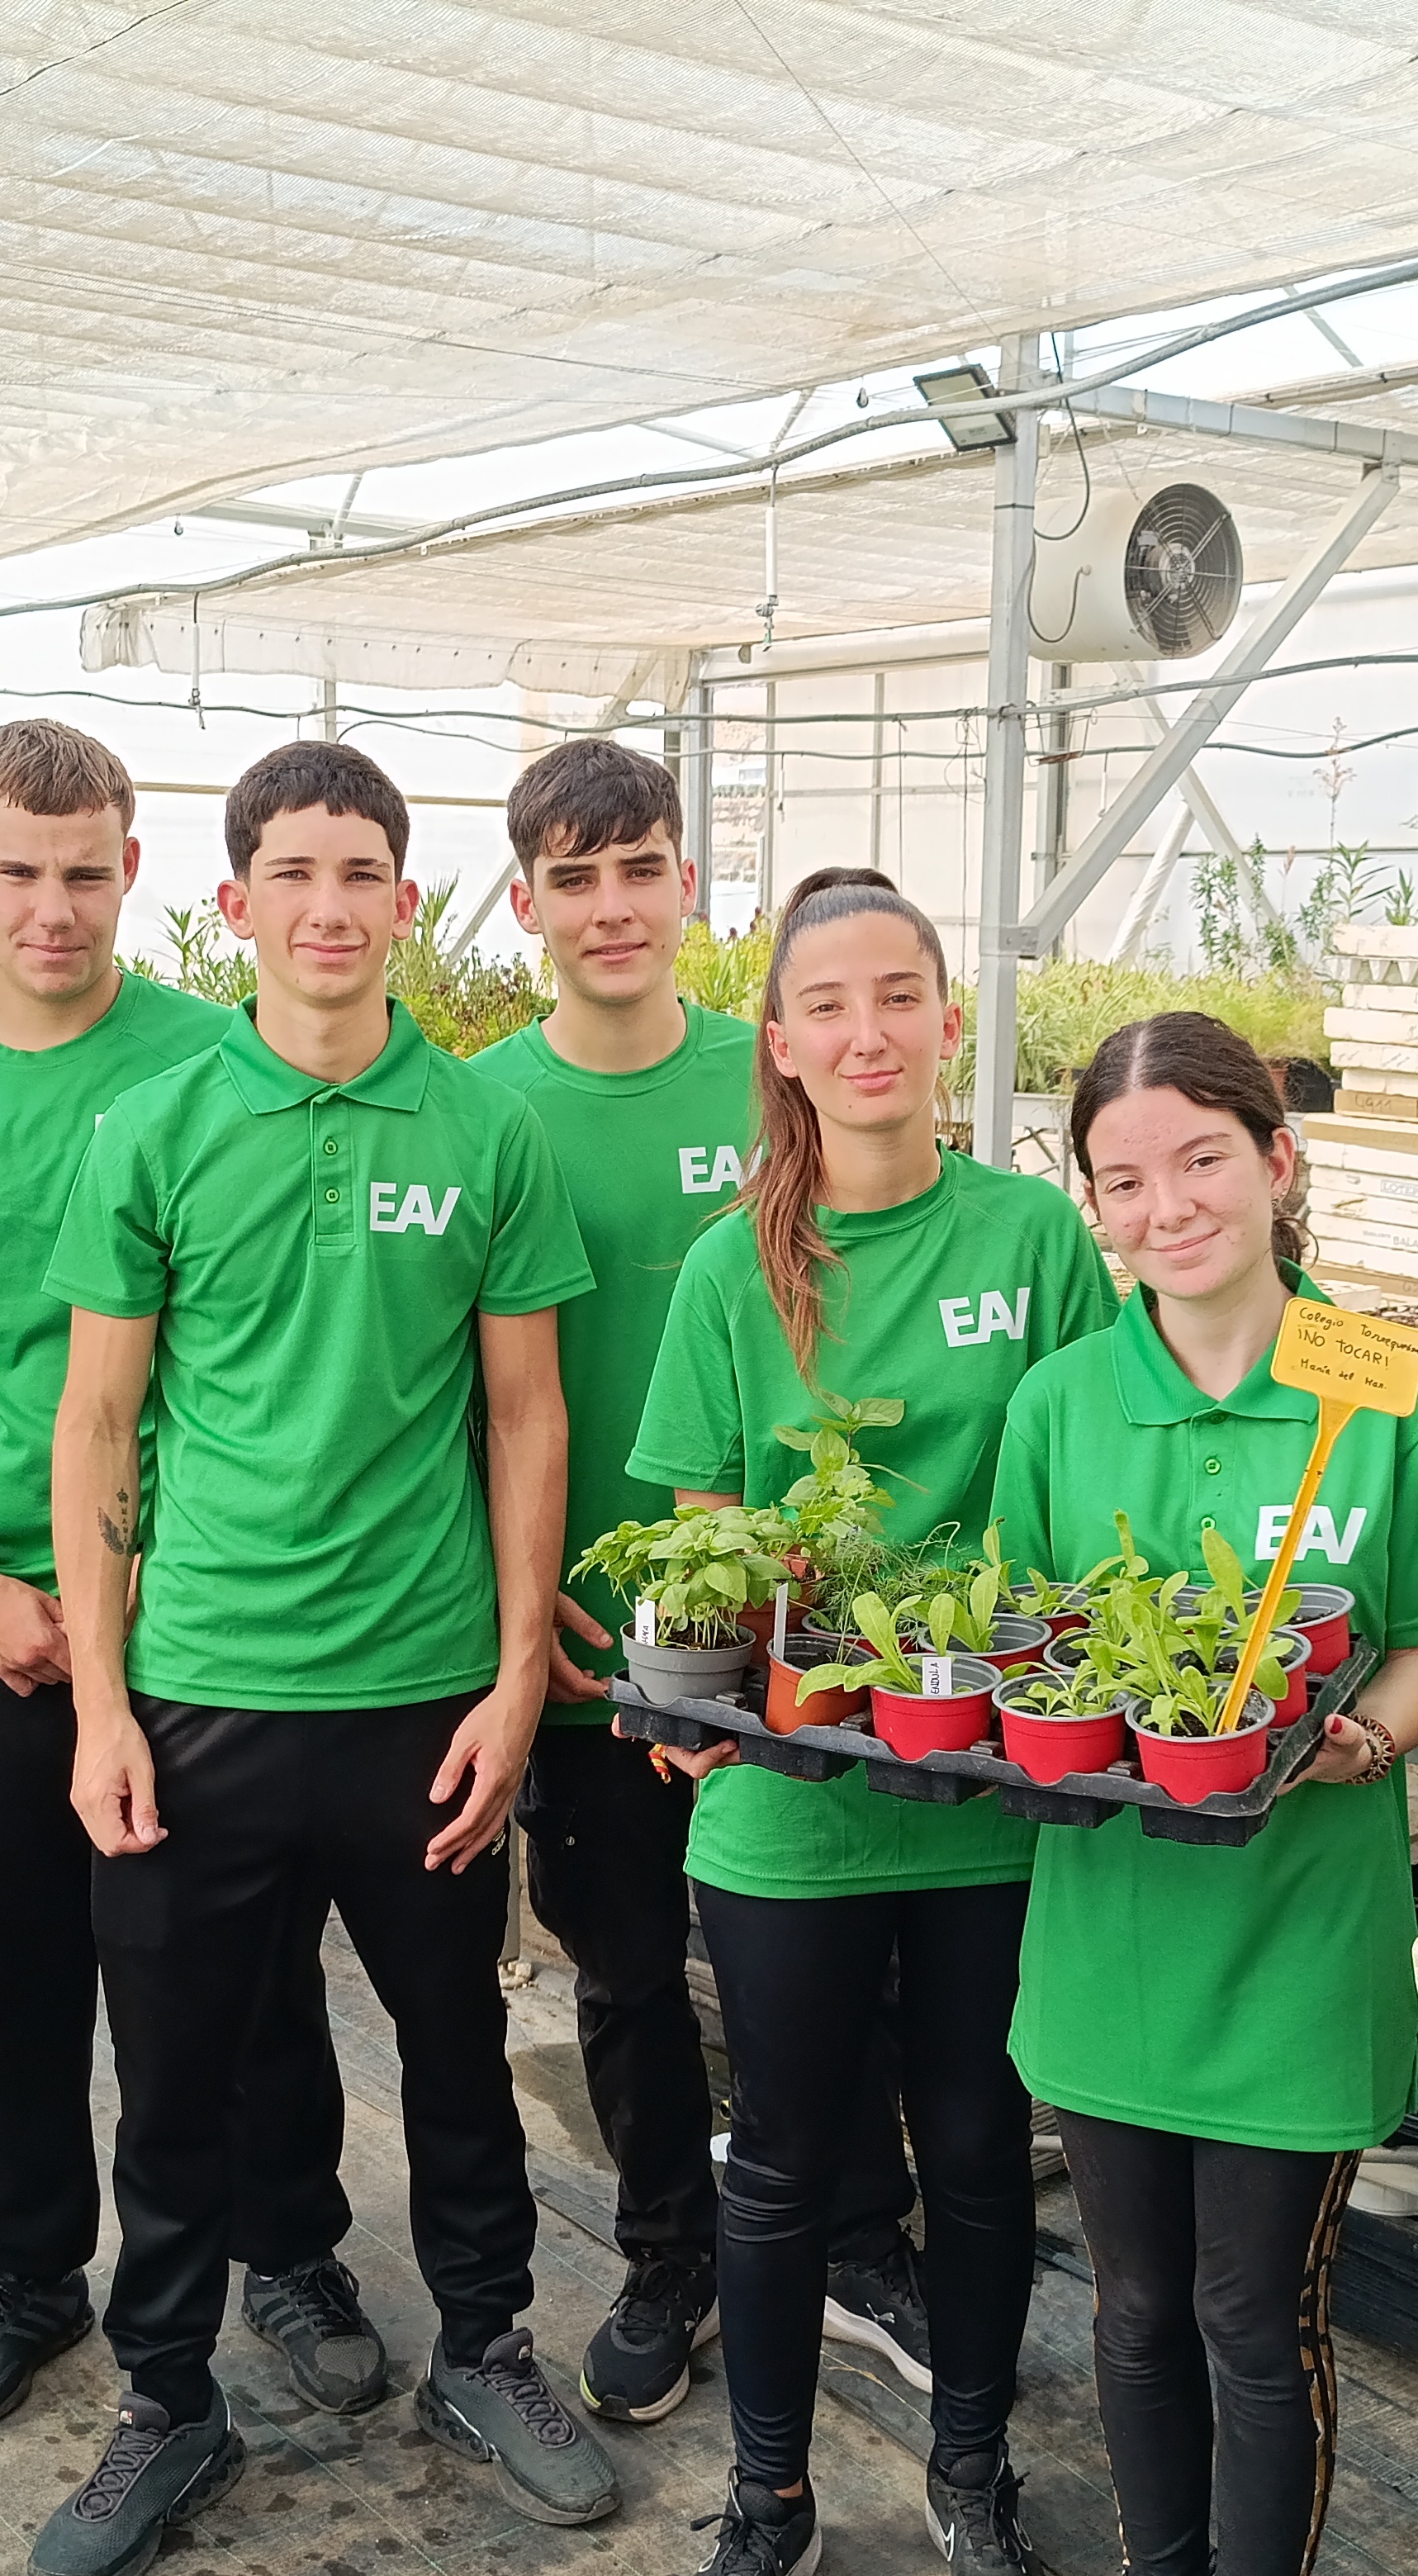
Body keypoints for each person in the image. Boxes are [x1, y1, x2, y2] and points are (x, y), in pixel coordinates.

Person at [34, 736, 615, 2576]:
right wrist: (107, 1707)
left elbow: (527, 1421)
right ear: (235, 902)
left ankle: (485, 2350)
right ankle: (163, 2395)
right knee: (180, 2076)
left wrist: (518, 1681)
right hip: (201, 1695)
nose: (331, 905)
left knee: (457, 2055)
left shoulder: (483, 1133)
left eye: (364, 870)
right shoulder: (152, 1127)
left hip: (421, 1693)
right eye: (294, 871)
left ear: (404, 898)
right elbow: (96, 1428)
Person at [994, 1012, 1418, 2576]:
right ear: (1090, 1202)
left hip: (1293, 1927)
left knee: (1248, 2307)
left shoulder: (1387, 1393)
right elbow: (1038, 1665)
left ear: (1275, 1157)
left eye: (1200, 1158)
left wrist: (1360, 1730)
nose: (1166, 1204)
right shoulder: (1061, 1400)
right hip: (1113, 1922)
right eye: (1121, 1177)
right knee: (1128, 2303)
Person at [630, 865, 1118, 2576]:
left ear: (943, 1019)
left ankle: (971, 2474)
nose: (864, 1032)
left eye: (897, 994)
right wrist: (706, 1663)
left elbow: (1083, 1499)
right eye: (825, 1002)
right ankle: (765, 2500)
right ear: (780, 1042)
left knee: (983, 2151)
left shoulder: (1028, 1240)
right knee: (773, 2165)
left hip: (991, 1796)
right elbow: (692, 1533)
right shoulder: (729, 1265)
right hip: (792, 1805)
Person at [0, 716, 309, 2431]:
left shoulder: (214, 1060)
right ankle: (26, 2269)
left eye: (83, 872)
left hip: (191, 1604)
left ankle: (288, 2243)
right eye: (15, 871)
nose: (51, 908)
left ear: (133, 867)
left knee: (234, 1964)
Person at [469, 738, 929, 2427]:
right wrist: (523, 1610)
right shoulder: (487, 1104)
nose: (610, 906)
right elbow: (465, 1378)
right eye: (572, 876)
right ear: (525, 900)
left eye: (637, 866)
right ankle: (670, 2254)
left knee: (836, 1940)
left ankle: (863, 2242)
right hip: (592, 1636)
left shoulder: (785, 1068)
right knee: (621, 1963)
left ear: (686, 885)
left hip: (804, 1638)